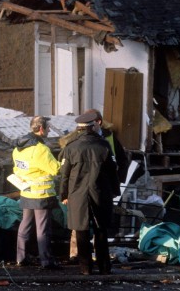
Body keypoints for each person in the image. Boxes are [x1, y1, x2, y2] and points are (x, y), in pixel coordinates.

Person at [64, 109, 130, 261]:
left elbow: (121, 161)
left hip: (102, 188)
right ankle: (77, 255)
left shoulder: (109, 139)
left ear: (97, 123)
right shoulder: (76, 139)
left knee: (99, 226)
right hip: (81, 189)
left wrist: (117, 184)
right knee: (80, 226)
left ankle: (94, 260)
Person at [12, 116, 61, 269]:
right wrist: (64, 162)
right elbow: (56, 169)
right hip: (41, 195)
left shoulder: (18, 148)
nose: (48, 131)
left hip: (26, 192)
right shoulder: (41, 149)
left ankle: (21, 257)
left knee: (25, 225)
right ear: (41, 129)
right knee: (43, 229)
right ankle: (47, 261)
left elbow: (17, 169)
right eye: (48, 128)